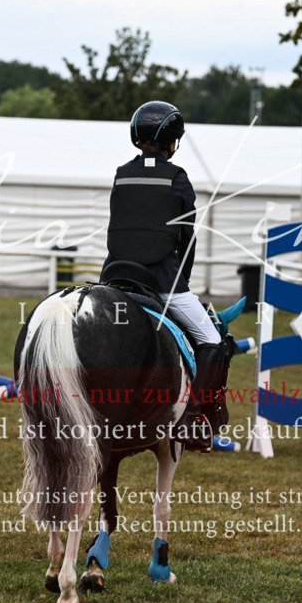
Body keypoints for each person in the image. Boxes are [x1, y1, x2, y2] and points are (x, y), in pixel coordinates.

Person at [104, 100, 230, 452]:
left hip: (114, 276)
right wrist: (181, 283)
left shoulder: (121, 173)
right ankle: (193, 418)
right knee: (211, 340)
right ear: (172, 140)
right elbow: (185, 240)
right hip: (161, 280)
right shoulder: (177, 178)